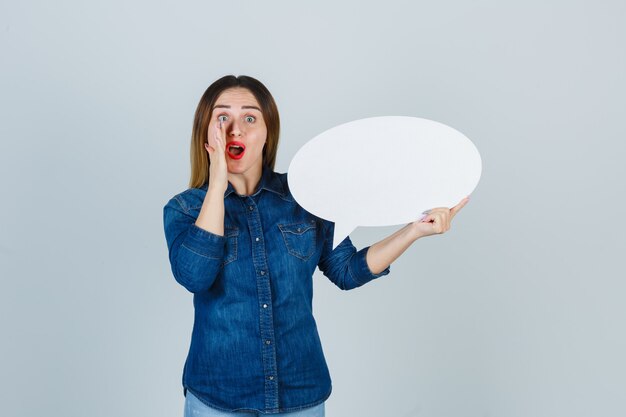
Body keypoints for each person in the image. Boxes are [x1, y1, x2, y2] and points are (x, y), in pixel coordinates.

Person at [163, 75, 470, 417]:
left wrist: (413, 231)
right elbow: (194, 276)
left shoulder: (305, 197)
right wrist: (219, 182)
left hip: (300, 393)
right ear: (206, 132)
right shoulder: (185, 209)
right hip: (217, 397)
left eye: (250, 118)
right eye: (222, 118)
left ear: (267, 131)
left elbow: (346, 270)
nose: (236, 129)